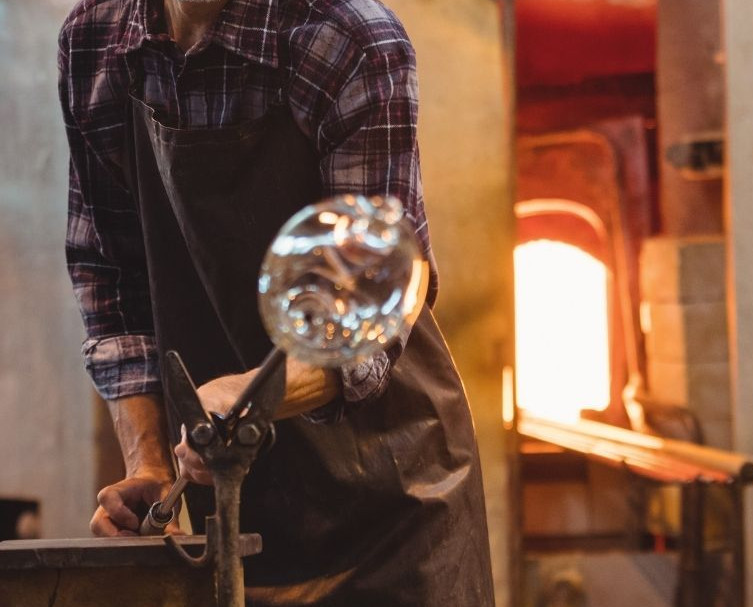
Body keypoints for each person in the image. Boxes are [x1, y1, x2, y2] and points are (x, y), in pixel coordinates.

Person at [58, 0, 495, 604]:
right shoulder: (95, 42)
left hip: (393, 507)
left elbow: (372, 310)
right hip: (231, 510)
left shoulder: (349, 39)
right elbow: (111, 280)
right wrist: (149, 464)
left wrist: (252, 395)